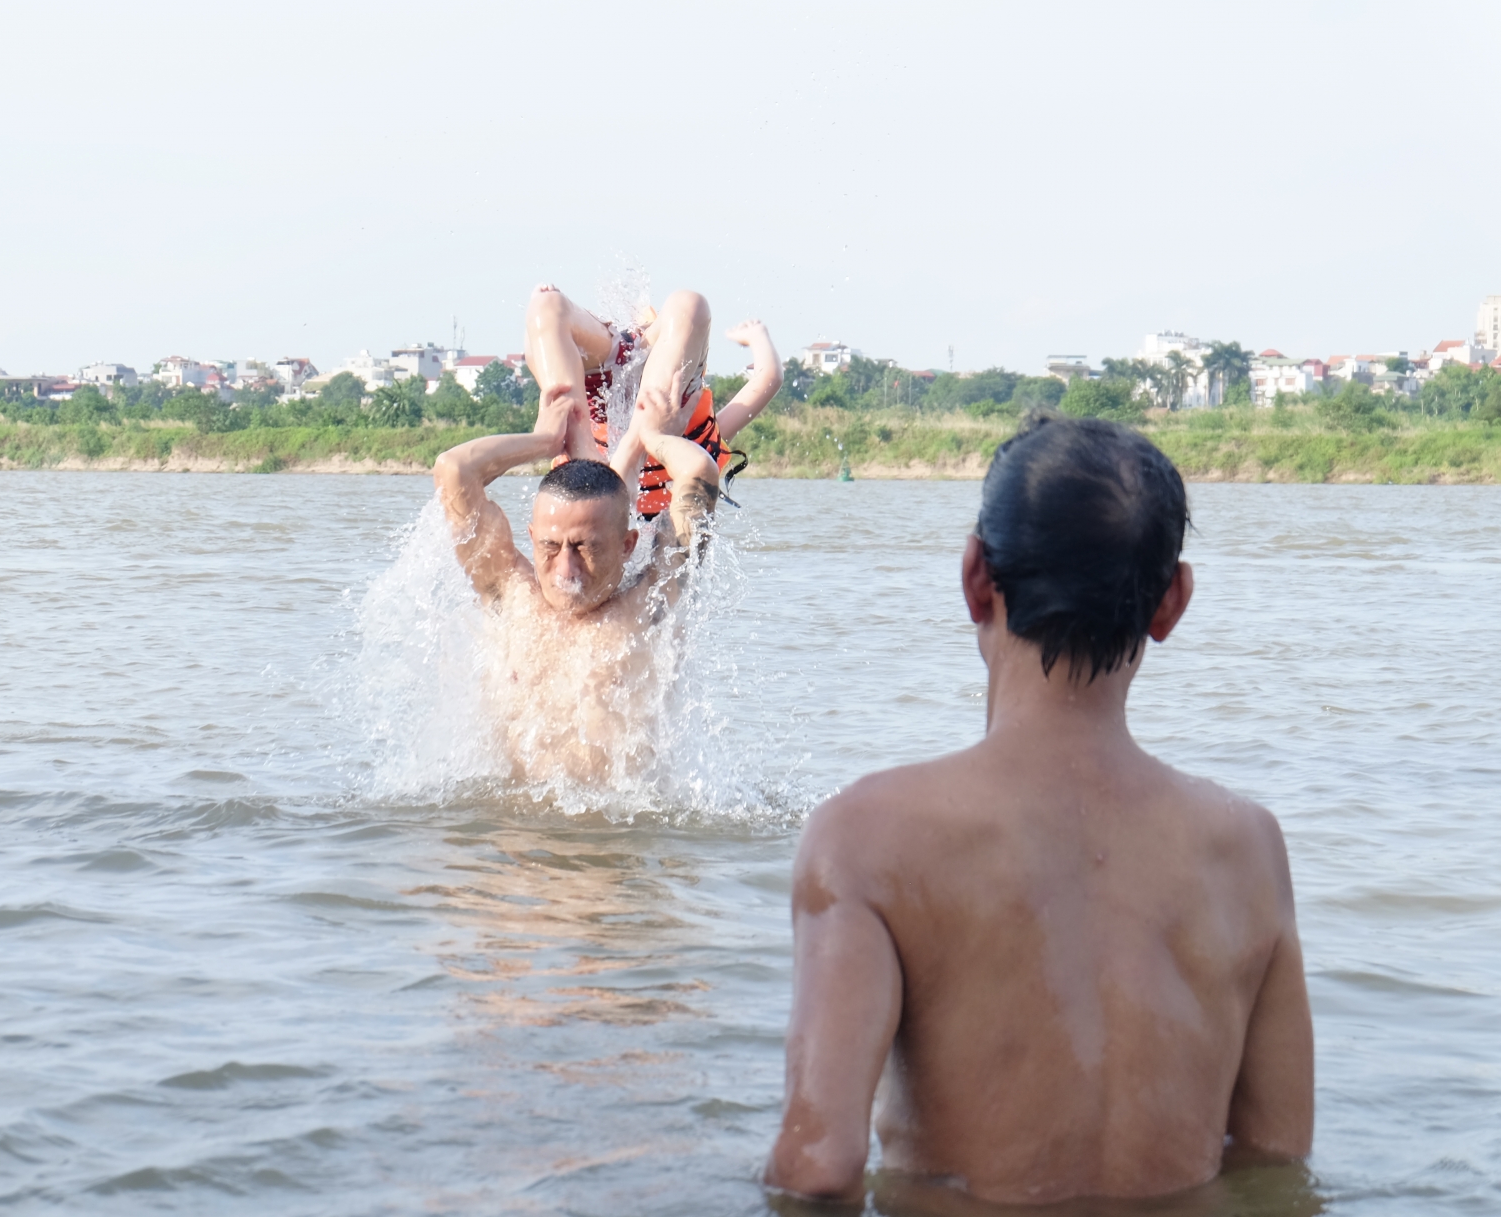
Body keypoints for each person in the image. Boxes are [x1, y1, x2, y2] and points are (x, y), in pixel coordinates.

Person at [767, 413, 1313, 1207]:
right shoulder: (1248, 848)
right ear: (1172, 603)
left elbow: (818, 1167)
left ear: (975, 577)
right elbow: (1276, 1160)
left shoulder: (868, 836)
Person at [431, 372, 723, 783]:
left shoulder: (650, 602)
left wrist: (653, 437)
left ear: (627, 545)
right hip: (514, 837)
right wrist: (544, 442)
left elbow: (700, 472)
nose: (566, 571)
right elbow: (454, 469)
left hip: (610, 836)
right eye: (550, 548)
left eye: (585, 548)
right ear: (531, 537)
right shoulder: (508, 593)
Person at [522, 283, 783, 516]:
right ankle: (632, 449)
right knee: (688, 305)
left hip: (599, 400)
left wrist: (539, 323)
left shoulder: (588, 491)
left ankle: (598, 449)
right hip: (672, 393)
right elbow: (769, 378)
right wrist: (757, 335)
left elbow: (538, 358)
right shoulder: (699, 446)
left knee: (546, 307)